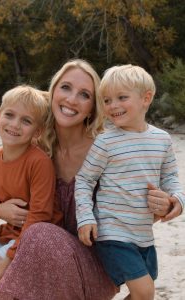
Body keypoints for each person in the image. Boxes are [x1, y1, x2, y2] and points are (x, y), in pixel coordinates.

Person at [0, 60, 181, 300]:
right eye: (65, 88)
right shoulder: (34, 148)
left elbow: (143, 200)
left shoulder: (107, 148)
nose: (72, 99)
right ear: (53, 93)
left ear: (93, 107)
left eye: (84, 94)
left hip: (93, 264)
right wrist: (1, 208)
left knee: (41, 233)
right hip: (35, 257)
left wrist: (168, 204)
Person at [75, 64, 185, 300]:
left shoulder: (162, 140)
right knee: (145, 291)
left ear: (146, 98)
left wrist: (177, 201)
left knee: (141, 294)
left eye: (121, 97)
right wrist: (85, 217)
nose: (112, 105)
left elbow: (171, 179)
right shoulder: (106, 142)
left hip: (144, 233)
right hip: (112, 233)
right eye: (106, 100)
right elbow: (84, 180)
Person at [0, 85, 60, 300]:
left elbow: (40, 215)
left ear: (37, 131)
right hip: (9, 236)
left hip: (33, 243)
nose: (14, 125)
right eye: (9, 115)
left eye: (26, 121)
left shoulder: (39, 162)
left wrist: (11, 255)